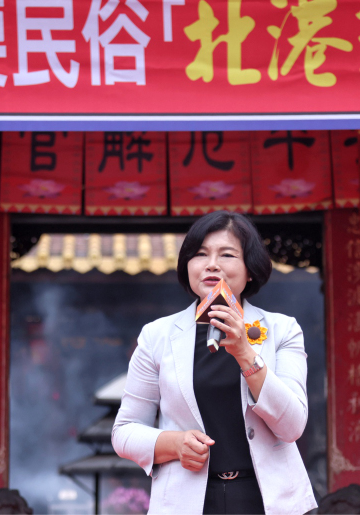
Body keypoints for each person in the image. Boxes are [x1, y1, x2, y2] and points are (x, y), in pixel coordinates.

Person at [112, 210, 317, 514]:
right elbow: (124, 431)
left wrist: (245, 353)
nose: (211, 264)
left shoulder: (282, 330)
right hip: (186, 502)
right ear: (187, 266)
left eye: (227, 254)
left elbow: (292, 426)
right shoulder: (157, 336)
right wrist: (173, 443)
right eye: (200, 254)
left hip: (269, 501)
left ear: (250, 270)